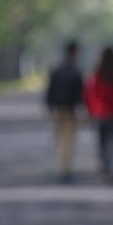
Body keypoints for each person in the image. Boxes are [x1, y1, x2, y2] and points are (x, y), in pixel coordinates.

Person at [84, 46, 113, 183]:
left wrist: (89, 110)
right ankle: (111, 168)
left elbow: (89, 94)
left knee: (102, 143)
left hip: (99, 114)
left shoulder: (95, 74)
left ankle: (104, 168)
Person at [44, 40, 84, 183]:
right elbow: (81, 95)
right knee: (68, 141)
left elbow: (49, 91)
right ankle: (65, 169)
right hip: (70, 111)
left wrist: (49, 107)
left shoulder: (56, 71)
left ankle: (62, 167)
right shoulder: (76, 72)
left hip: (58, 110)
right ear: (74, 53)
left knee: (60, 140)